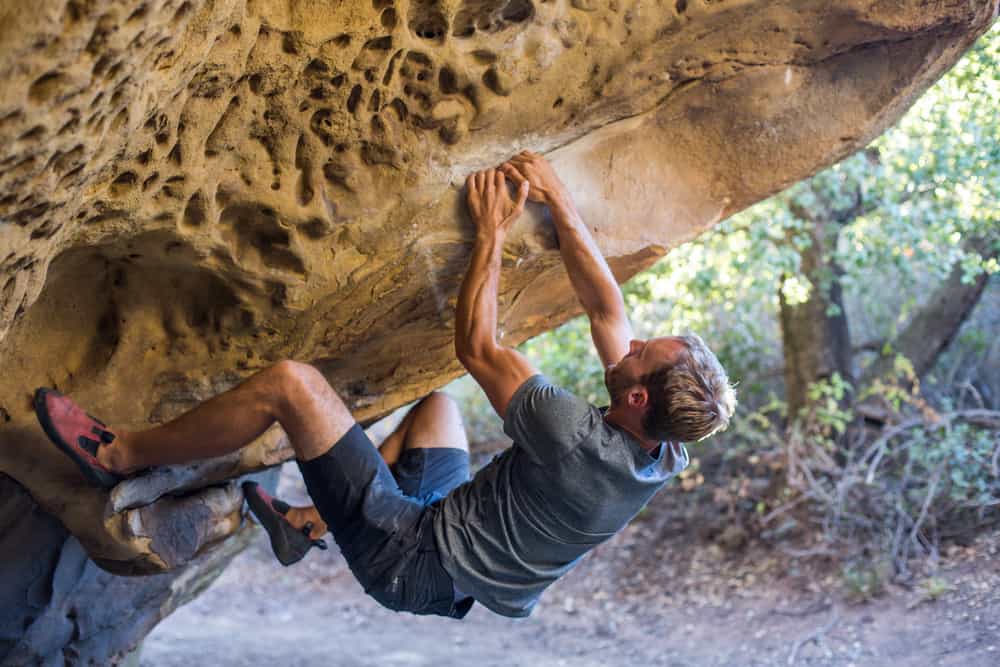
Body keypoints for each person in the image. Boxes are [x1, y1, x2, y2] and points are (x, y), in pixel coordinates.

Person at [34, 151, 735, 619]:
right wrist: (559, 200)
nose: (632, 344)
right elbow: (607, 311)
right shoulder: (665, 446)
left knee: (292, 385)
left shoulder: (574, 437)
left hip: (410, 558)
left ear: (636, 398)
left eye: (641, 355)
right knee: (437, 409)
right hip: (455, 554)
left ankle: (120, 453)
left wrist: (490, 232)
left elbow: (477, 346)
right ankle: (305, 524)